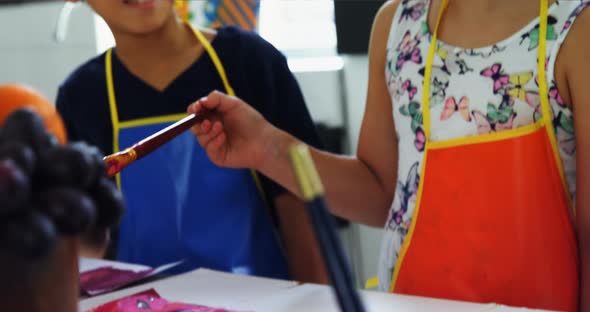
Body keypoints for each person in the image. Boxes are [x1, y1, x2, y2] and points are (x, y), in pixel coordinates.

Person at [189, 0, 590, 310]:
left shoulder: (574, 28)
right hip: (411, 301)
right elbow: (382, 193)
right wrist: (267, 147)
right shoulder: (399, 24)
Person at [56, 0, 327, 283]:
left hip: (264, 301)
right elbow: (83, 239)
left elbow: (300, 205)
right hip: (140, 302)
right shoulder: (80, 96)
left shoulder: (250, 62)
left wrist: (318, 298)